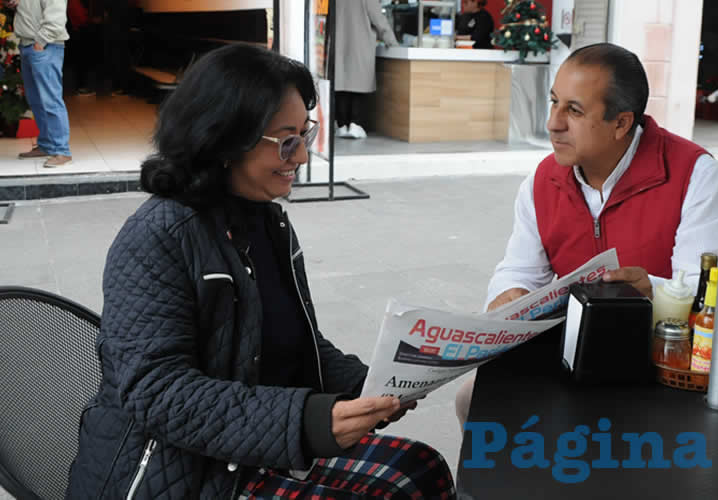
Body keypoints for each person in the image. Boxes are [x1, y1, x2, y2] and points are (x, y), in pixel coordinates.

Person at [65, 44, 456, 499]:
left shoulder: (267, 222)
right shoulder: (157, 238)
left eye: (304, 137)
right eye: (286, 142)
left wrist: (372, 387)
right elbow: (158, 393)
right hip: (175, 472)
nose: (302, 158)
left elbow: (290, 342)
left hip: (249, 446)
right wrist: (307, 421)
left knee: (420, 468)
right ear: (224, 139)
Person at [455, 43, 718, 427]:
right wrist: (508, 295)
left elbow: (704, 291)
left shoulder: (693, 175)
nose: (553, 123)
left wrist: (654, 292)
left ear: (621, 123)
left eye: (574, 110)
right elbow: (518, 270)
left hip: (662, 363)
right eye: (553, 103)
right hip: (570, 351)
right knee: (474, 401)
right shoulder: (542, 181)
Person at [10, 0, 73, 167]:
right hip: (28, 44)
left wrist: (40, 42)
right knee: (36, 100)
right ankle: (46, 145)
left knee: (51, 100)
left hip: (44, 46)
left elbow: (56, 16)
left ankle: (62, 151)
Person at [334, 0, 399, 140]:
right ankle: (355, 124)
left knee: (341, 85)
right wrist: (394, 45)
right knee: (358, 85)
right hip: (360, 47)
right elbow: (380, 22)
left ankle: (342, 126)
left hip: (338, 48)